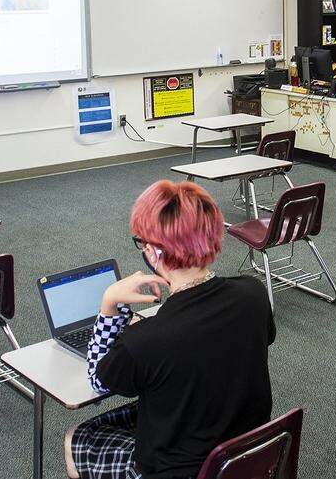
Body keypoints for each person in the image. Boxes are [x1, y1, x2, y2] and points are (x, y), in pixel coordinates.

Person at [65, 180, 275, 479]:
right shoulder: (253, 292)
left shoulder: (144, 343)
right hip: (245, 453)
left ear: (154, 252)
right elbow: (210, 339)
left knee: (77, 437)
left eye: (142, 242)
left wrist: (109, 304)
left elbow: (98, 380)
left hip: (178, 471)